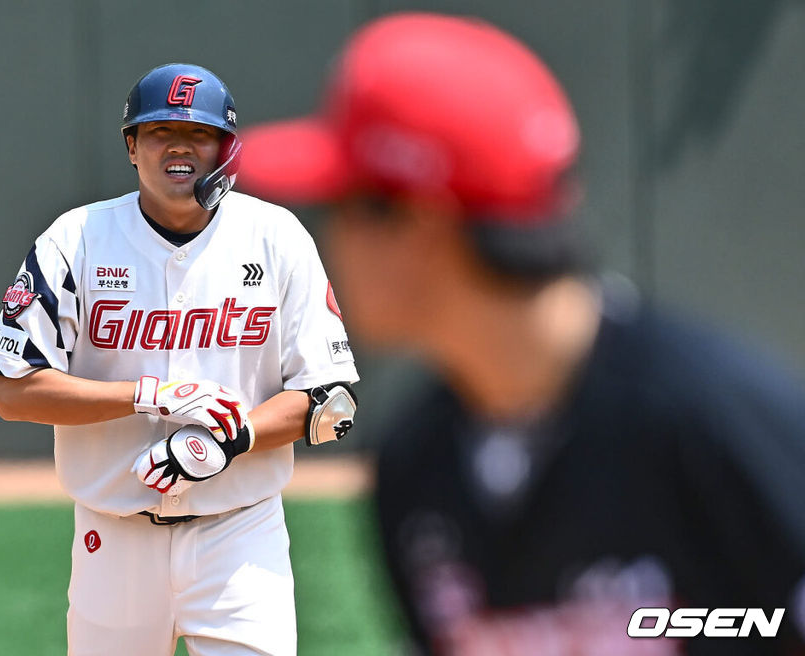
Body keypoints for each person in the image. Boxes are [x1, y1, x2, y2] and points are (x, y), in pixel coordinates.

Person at [237, 13, 805, 656]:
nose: (328, 242)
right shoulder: (419, 469)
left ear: (422, 225)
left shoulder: (715, 422)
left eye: (342, 207)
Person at [0, 63, 359, 656]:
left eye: (200, 133)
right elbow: (14, 391)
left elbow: (329, 401)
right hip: (113, 537)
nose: (179, 146)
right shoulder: (74, 239)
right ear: (131, 145)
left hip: (241, 534)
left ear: (226, 149)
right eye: (159, 131)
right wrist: (146, 394)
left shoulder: (276, 237)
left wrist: (229, 440)